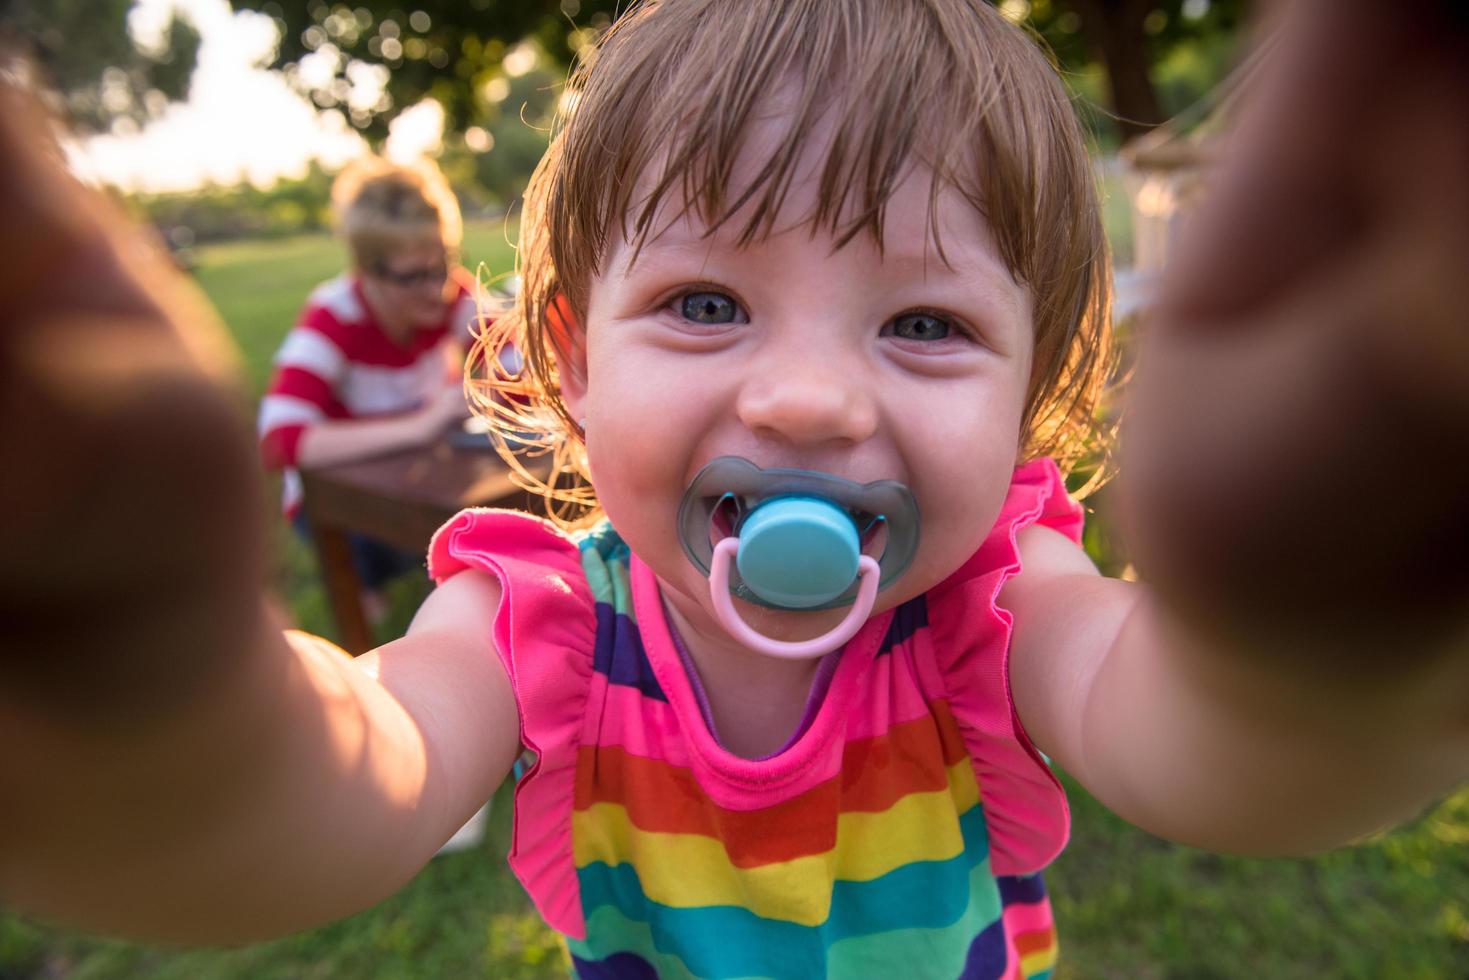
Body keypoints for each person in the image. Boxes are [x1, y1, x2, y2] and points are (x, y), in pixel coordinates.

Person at [0, 0, 1464, 976]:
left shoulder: (996, 608)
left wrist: (1323, 637)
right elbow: (338, 791)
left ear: (1030, 395)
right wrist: (146, 705)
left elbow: (1218, 754)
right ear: (568, 356)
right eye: (706, 303)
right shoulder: (540, 626)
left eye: (926, 325)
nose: (810, 397)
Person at [258, 156, 479, 616]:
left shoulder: (453, 296)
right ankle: (368, 584)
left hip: (417, 476)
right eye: (412, 276)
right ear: (365, 269)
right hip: (345, 496)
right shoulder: (334, 317)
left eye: (444, 263)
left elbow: (516, 367)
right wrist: (420, 426)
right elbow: (279, 441)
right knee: (384, 585)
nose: (435, 288)